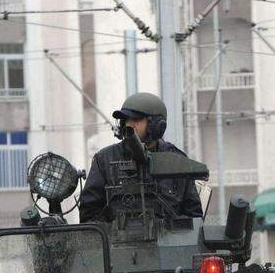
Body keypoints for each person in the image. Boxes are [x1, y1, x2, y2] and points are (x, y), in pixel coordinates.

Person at [78, 92, 203, 222]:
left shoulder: (176, 161)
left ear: (156, 125)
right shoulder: (104, 160)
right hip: (116, 241)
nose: (129, 124)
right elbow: (89, 215)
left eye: (136, 119)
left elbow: (194, 216)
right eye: (126, 119)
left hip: (167, 240)